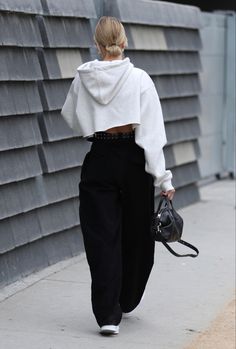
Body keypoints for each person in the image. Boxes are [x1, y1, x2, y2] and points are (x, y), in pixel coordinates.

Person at [61, 16, 175, 336]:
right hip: (133, 159)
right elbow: (151, 135)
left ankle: (108, 315)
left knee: (101, 237)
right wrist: (163, 180)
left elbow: (71, 117)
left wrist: (96, 120)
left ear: (98, 45)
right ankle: (125, 299)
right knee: (138, 235)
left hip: (99, 156)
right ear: (124, 42)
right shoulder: (140, 79)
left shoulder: (82, 78)